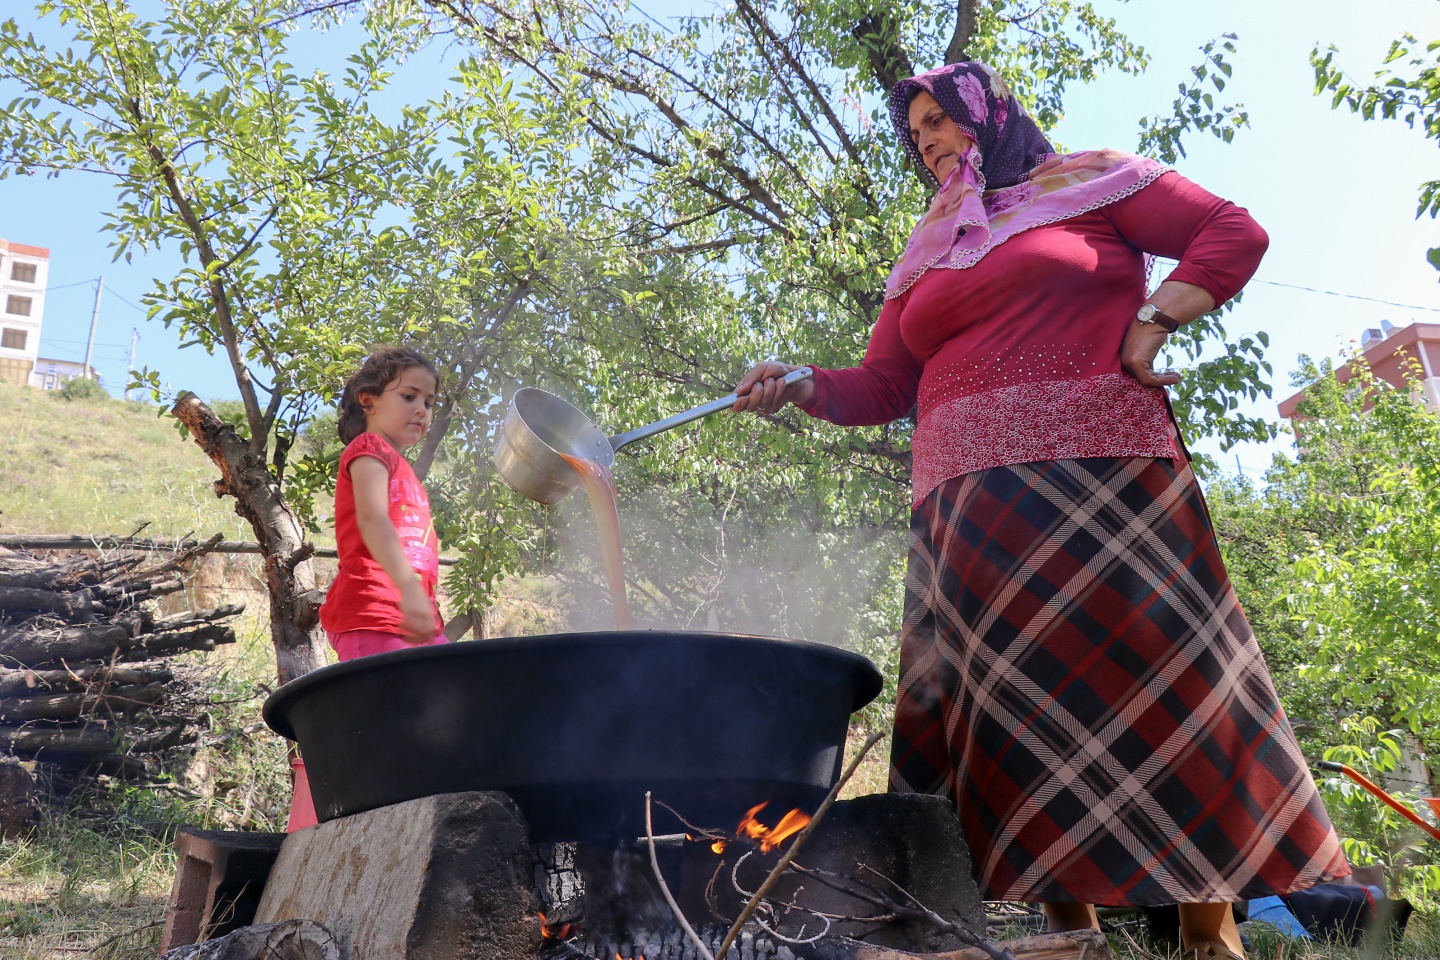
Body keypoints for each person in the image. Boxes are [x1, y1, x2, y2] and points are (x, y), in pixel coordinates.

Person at [733, 61, 1348, 960]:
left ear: (988, 112)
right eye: (916, 134)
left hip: (1104, 487)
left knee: (1161, 695)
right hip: (970, 514)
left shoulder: (1090, 181)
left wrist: (1155, 320)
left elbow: (1229, 230)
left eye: (941, 120)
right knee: (1017, 723)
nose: (930, 141)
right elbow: (885, 383)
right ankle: (1075, 942)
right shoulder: (929, 243)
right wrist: (799, 383)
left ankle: (1209, 939)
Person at [319, 347, 455, 661]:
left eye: (429, 402)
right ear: (368, 401)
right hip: (371, 612)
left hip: (414, 619)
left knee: (457, 690)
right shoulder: (369, 448)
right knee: (396, 705)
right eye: (409, 396)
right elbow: (373, 520)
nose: (421, 409)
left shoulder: (407, 474)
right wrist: (408, 588)